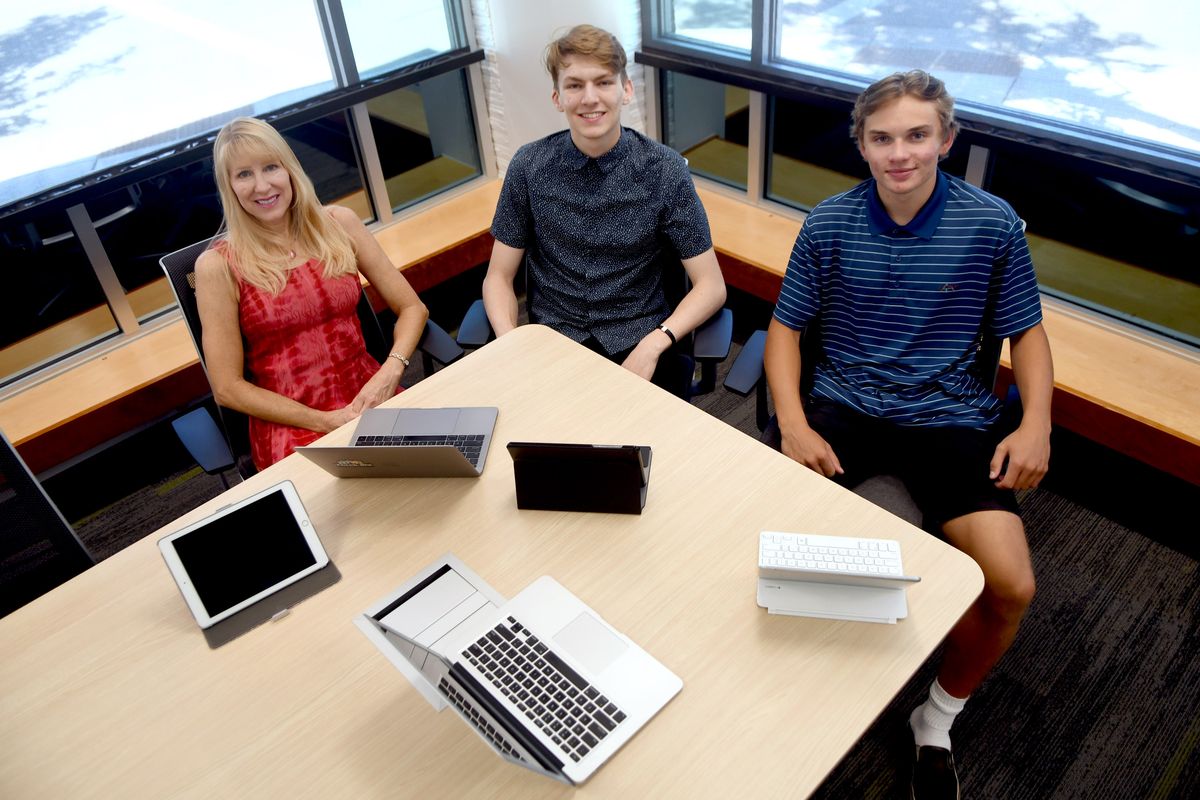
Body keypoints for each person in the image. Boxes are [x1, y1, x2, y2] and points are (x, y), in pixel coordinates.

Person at [763, 70, 1053, 799]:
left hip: (949, 418)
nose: (901, 153)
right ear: (860, 145)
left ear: (945, 141)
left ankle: (936, 717)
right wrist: (793, 424)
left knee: (1011, 585)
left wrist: (1038, 424)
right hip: (843, 405)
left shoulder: (991, 225)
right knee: (773, 550)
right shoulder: (828, 222)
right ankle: (787, 691)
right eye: (883, 137)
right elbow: (784, 332)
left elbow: (1030, 337)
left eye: (917, 136)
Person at [482, 24, 726, 392]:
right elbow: (498, 276)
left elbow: (711, 285)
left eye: (603, 82)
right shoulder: (528, 167)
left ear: (625, 90)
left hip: (639, 340)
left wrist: (655, 343)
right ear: (557, 98)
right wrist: (510, 341)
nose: (589, 98)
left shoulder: (665, 170)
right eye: (575, 85)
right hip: (553, 343)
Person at [195, 117, 429, 470]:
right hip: (292, 425)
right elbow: (227, 388)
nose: (261, 186)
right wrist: (324, 421)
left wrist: (390, 372)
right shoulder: (218, 265)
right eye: (243, 174)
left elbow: (412, 307)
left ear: (289, 169)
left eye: (270, 167)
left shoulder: (339, 223)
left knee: (440, 478)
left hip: (370, 397)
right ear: (229, 186)